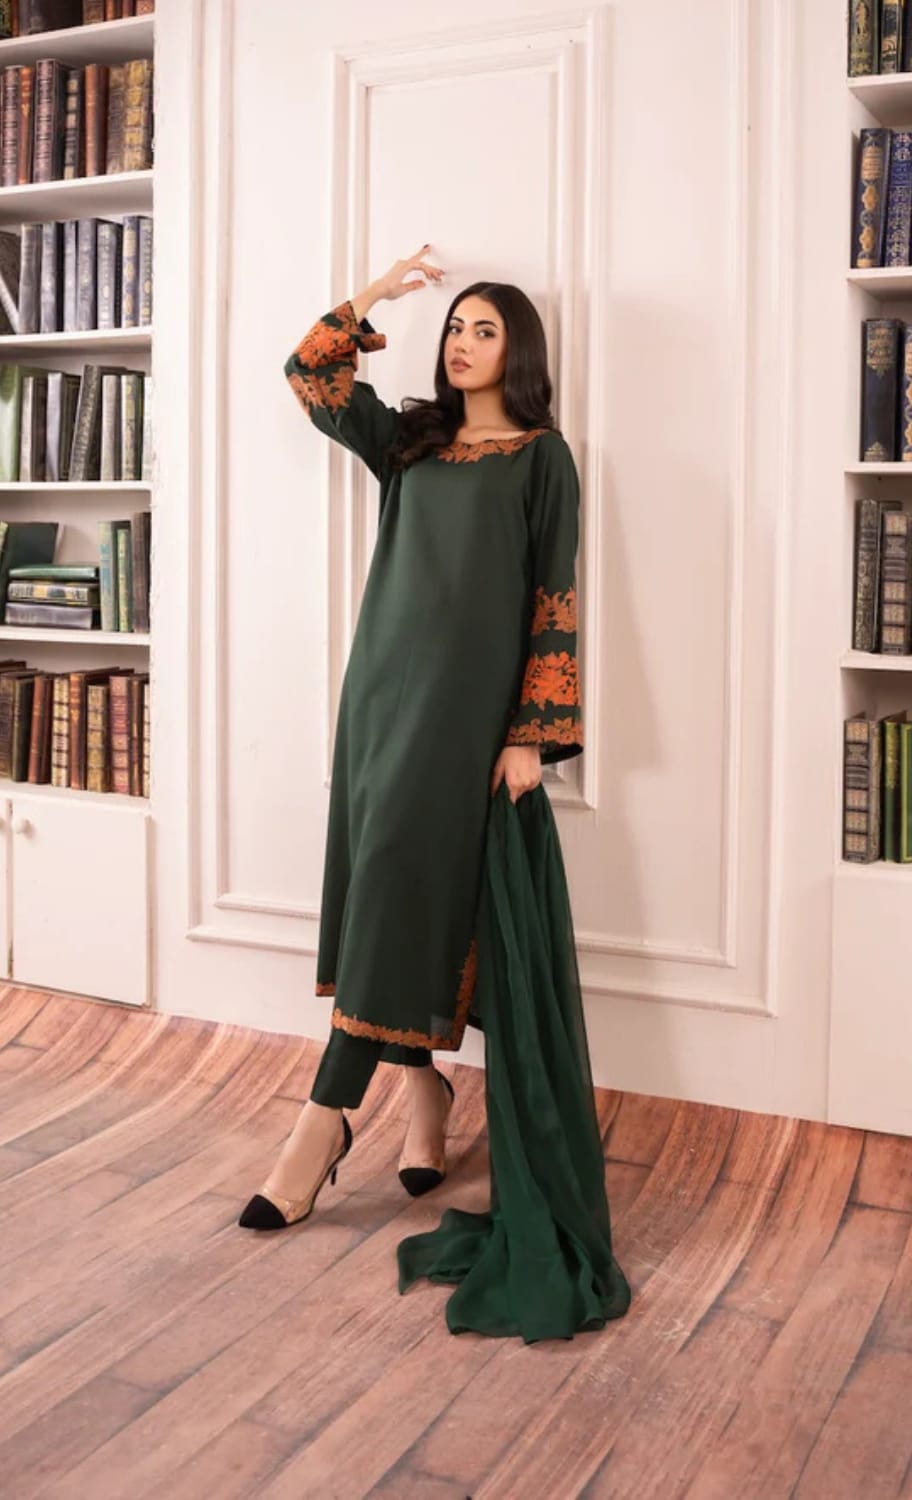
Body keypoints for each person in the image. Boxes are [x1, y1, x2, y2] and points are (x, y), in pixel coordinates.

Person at [238, 244, 582, 1232]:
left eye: (486, 330)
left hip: (466, 715)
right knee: (382, 893)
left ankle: (323, 1122)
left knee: (399, 886)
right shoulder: (409, 443)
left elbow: (554, 598)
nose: (462, 344)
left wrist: (534, 735)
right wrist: (375, 295)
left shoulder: (540, 457)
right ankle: (421, 1091)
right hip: (380, 697)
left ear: (518, 352)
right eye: (454, 327)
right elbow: (310, 374)